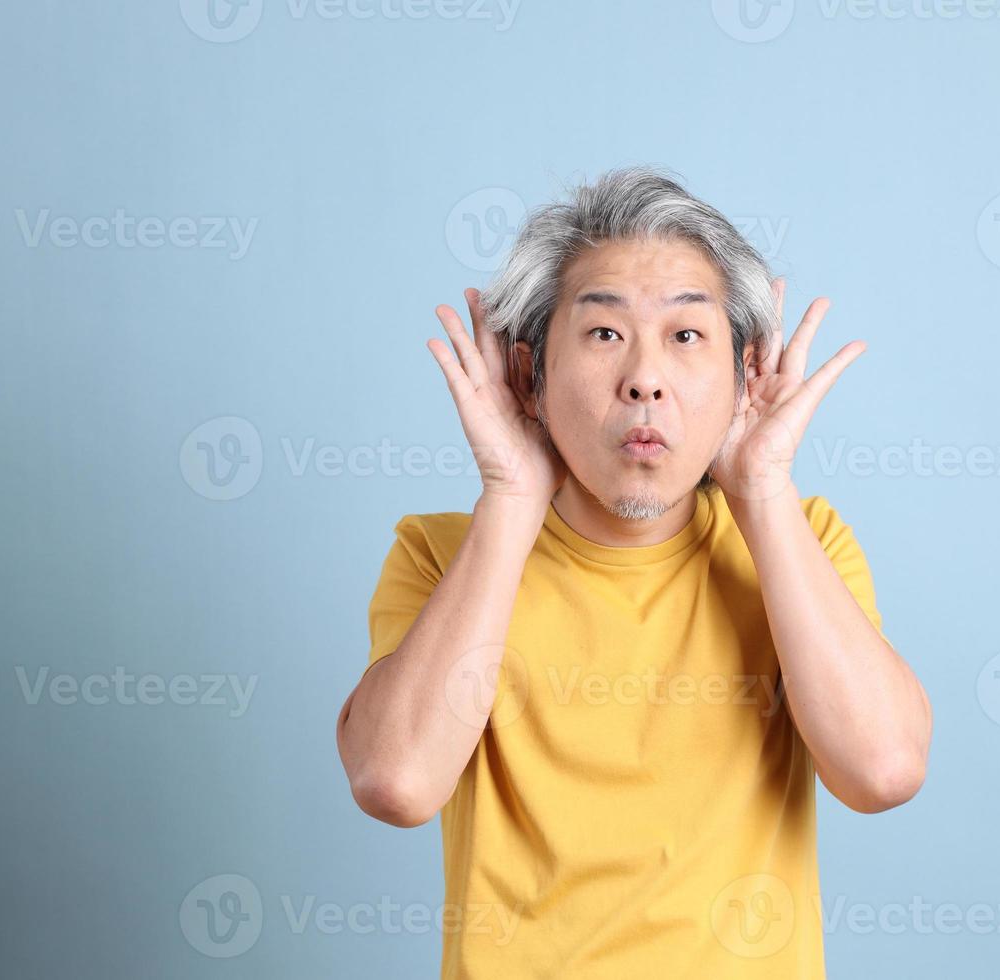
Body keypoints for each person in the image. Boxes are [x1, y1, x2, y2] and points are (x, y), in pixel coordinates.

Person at [335, 165, 933, 979]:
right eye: (605, 333)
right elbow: (396, 781)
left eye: (687, 337)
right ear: (529, 377)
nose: (644, 378)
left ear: (743, 377)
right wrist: (511, 495)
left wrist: (761, 490)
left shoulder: (803, 543)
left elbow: (884, 771)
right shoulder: (442, 556)